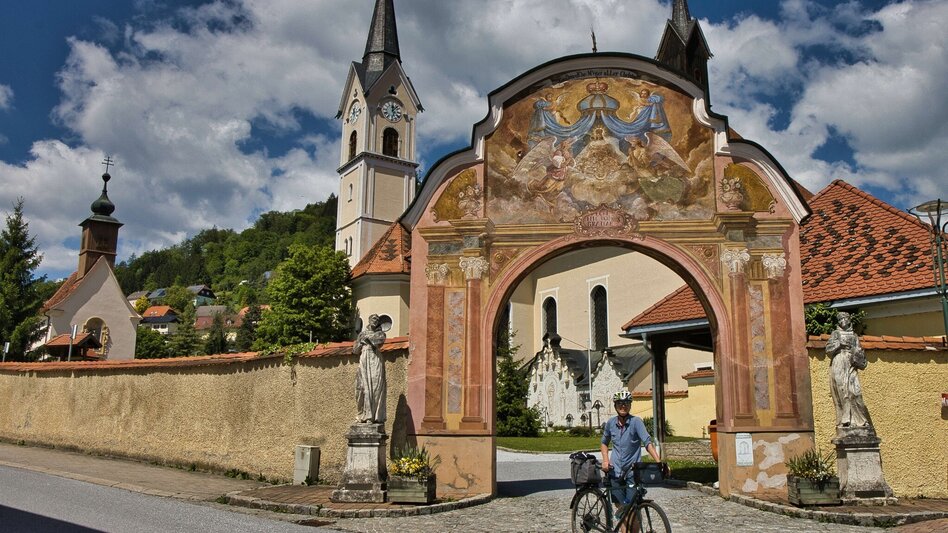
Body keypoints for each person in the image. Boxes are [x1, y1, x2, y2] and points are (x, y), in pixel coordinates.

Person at [600, 390, 667, 507]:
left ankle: (632, 524)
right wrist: (605, 460)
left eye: (626, 403)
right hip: (615, 471)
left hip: (633, 472)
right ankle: (623, 524)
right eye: (620, 403)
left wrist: (658, 462)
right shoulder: (611, 423)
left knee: (632, 508)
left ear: (630, 405)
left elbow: (647, 443)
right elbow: (604, 443)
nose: (623, 406)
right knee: (620, 507)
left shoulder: (636, 422)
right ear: (615, 405)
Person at [825, 311, 872, 429]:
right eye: (840, 320)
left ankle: (860, 420)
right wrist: (839, 344)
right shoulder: (836, 334)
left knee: (856, 392)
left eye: (845, 319)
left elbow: (860, 351)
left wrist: (856, 353)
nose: (843, 321)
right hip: (839, 362)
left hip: (851, 364)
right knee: (843, 392)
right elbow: (828, 350)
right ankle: (846, 420)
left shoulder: (854, 335)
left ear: (849, 320)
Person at [354, 314, 387, 424]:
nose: (375, 320)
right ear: (369, 320)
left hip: (375, 360)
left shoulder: (381, 334)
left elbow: (377, 342)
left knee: (375, 388)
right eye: (373, 318)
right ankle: (363, 414)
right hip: (364, 359)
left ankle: (372, 416)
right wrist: (359, 341)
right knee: (362, 388)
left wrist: (366, 338)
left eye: (377, 319)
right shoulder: (362, 334)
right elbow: (355, 350)